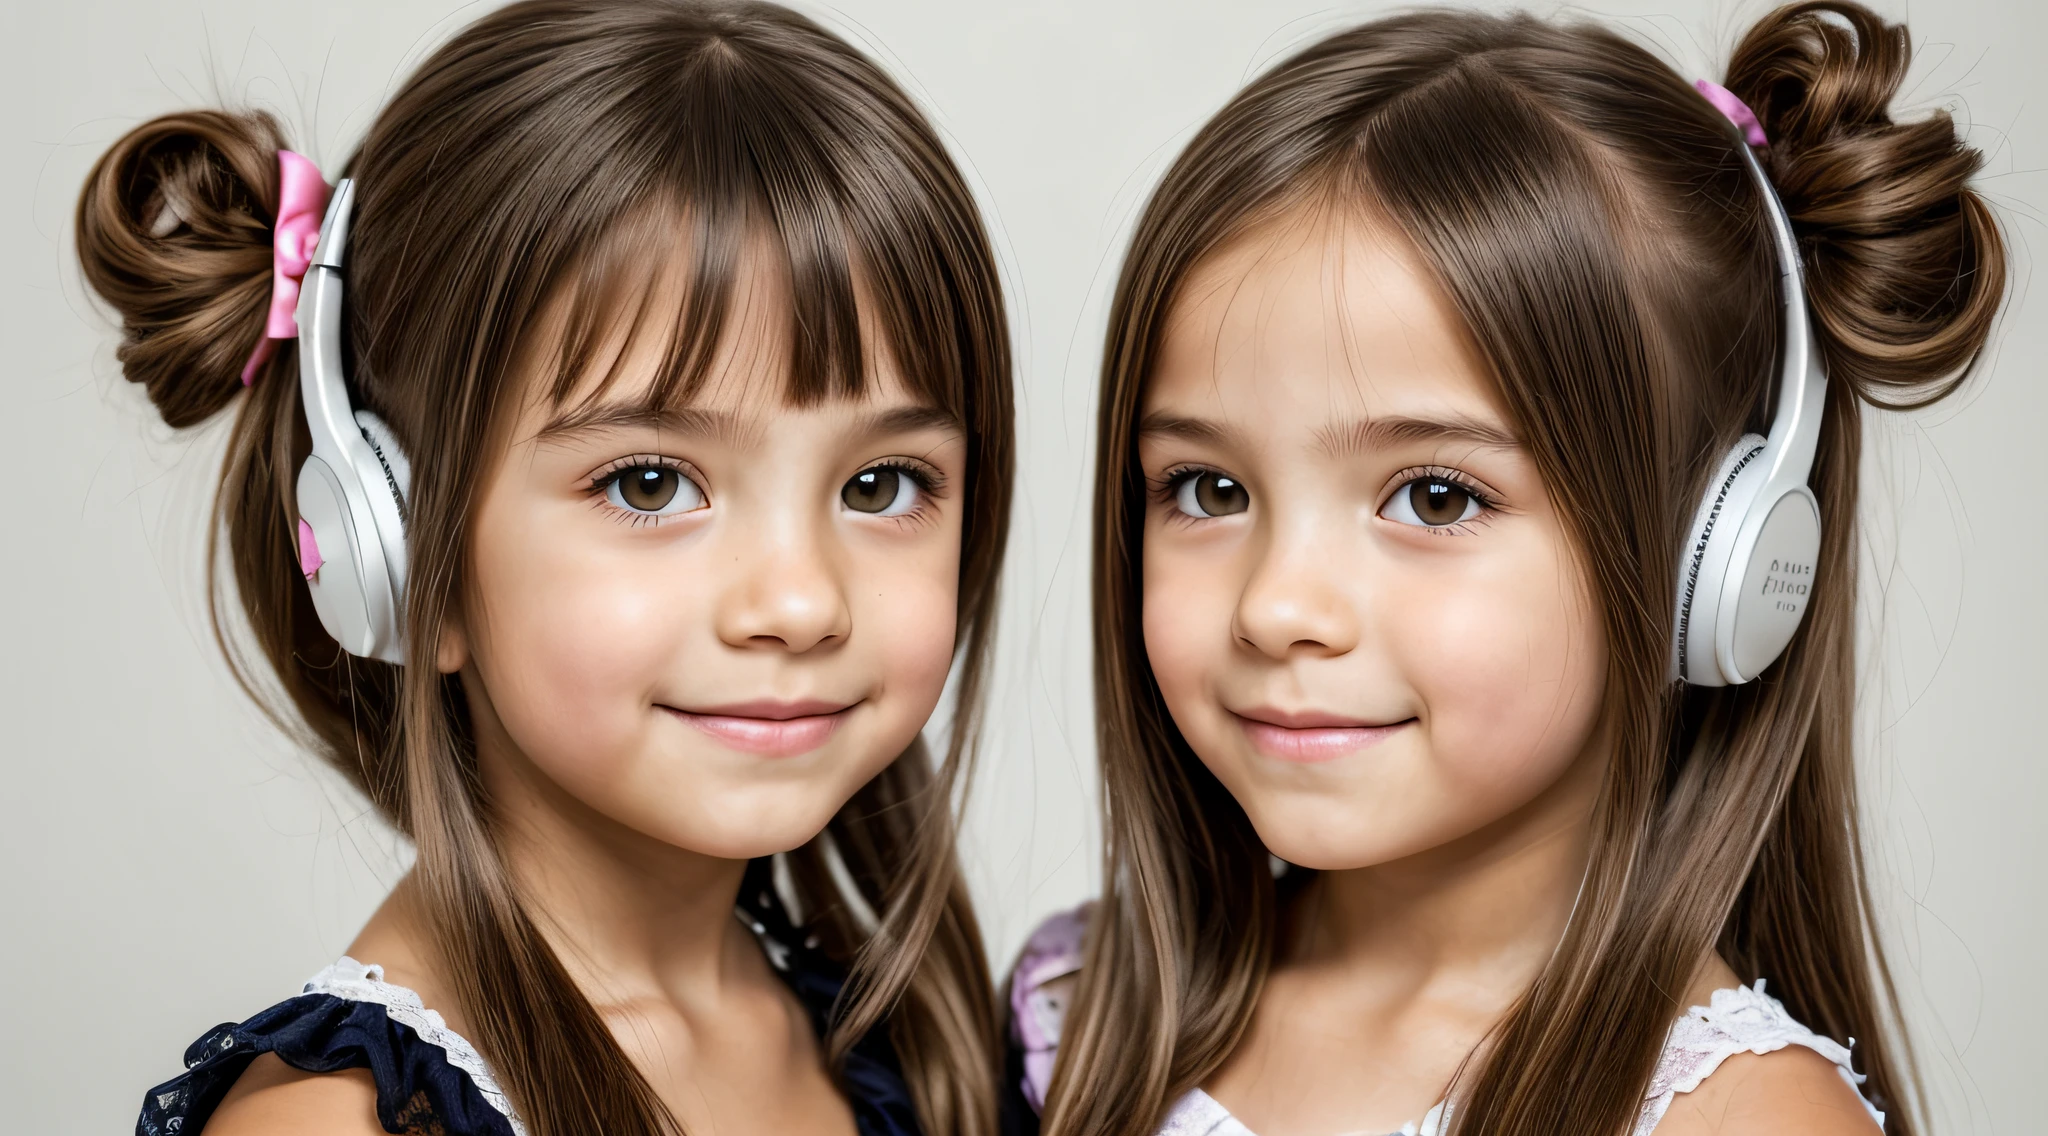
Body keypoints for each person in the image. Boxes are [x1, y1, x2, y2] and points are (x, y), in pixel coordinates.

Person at [1007, 4, 2003, 1135]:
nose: (1277, 606)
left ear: (1712, 561)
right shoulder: (1076, 1011)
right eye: (1208, 489)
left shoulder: (1738, 1119)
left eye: (1434, 497)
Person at [78, 3, 1014, 1133]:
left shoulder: (896, 1037)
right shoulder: (341, 1125)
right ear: (404, 545)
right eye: (650, 483)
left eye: (879, 485)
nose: (800, 600)